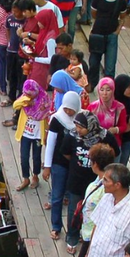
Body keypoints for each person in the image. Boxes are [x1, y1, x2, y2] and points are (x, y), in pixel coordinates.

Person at [64, 143, 116, 257]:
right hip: (86, 230)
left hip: (93, 234)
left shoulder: (106, 187)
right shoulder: (99, 180)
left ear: (95, 163)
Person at [61, 113, 119, 254]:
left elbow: (115, 153)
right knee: (74, 210)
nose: (78, 129)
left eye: (82, 127)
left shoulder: (105, 137)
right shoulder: (72, 136)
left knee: (95, 211)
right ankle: (72, 237)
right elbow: (66, 153)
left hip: (98, 183)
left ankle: (90, 238)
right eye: (77, 126)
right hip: (77, 180)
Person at [43, 91, 81, 240]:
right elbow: (51, 144)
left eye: (71, 109)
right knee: (57, 196)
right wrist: (47, 166)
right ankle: (56, 226)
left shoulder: (80, 119)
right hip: (59, 163)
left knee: (74, 198)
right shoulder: (57, 119)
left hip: (74, 165)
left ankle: (73, 230)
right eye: (66, 108)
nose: (68, 111)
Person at [88, 0, 129, 91]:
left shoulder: (121, 2)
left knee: (110, 66)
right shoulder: (98, 0)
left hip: (112, 35)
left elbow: (122, 18)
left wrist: (117, 31)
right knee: (94, 63)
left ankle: (107, 89)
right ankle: (92, 84)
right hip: (97, 34)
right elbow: (94, 14)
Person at [13, 79, 52, 191]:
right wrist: (26, 102)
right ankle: (26, 178)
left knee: (36, 156)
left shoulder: (44, 98)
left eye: (30, 94)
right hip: (25, 133)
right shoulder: (25, 97)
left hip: (37, 134)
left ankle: (35, 176)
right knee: (24, 156)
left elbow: (47, 111)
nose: (28, 95)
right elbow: (15, 105)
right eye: (27, 93)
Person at [88, 77, 128, 152]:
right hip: (96, 145)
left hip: (113, 145)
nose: (105, 93)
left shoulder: (120, 108)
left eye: (108, 90)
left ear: (113, 90)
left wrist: (116, 130)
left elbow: (123, 126)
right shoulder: (92, 107)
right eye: (102, 90)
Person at [26, 8, 60, 90]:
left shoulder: (50, 39)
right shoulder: (45, 32)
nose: (38, 23)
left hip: (42, 70)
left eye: (39, 21)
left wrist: (36, 58)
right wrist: (32, 43)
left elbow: (51, 59)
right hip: (38, 66)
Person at [113, 74, 130, 166]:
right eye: (128, 87)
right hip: (114, 137)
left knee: (122, 165)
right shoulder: (112, 100)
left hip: (127, 137)